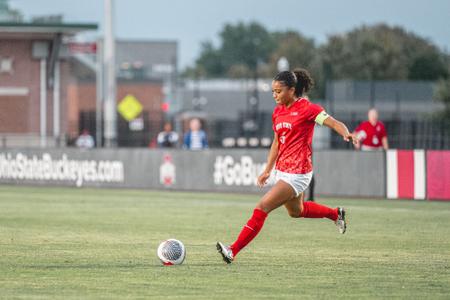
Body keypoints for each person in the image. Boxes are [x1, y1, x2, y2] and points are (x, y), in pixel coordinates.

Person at [216, 69, 358, 264]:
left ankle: (232, 250)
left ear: (292, 90)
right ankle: (335, 214)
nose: (275, 95)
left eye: (279, 91)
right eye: (273, 92)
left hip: (298, 174)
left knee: (261, 207)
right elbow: (276, 142)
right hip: (283, 171)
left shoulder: (308, 109)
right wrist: (267, 169)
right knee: (295, 212)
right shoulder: (278, 112)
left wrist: (346, 133)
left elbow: (332, 122)